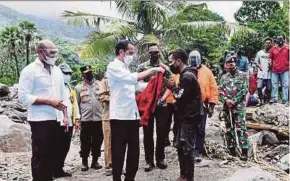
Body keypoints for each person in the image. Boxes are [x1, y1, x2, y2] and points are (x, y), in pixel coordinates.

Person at [106, 40, 165, 181]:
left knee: (134, 152)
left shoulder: (126, 68)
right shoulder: (113, 66)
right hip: (119, 117)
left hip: (132, 117)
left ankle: (129, 178)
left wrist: (154, 84)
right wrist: (153, 70)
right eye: (130, 53)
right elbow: (131, 79)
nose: (132, 56)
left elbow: (137, 86)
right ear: (121, 52)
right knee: (118, 152)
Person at [18, 39, 69, 181]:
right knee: (41, 155)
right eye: (51, 53)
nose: (54, 55)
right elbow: (23, 97)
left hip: (56, 119)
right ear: (41, 52)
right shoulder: (30, 71)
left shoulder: (57, 71)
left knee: (53, 154)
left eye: (55, 52)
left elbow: (62, 96)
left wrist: (65, 116)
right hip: (39, 119)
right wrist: (48, 102)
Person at [164, 48, 202, 181]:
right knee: (181, 147)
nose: (170, 65)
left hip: (189, 118)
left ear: (178, 61)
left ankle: (188, 177)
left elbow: (180, 96)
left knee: (187, 148)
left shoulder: (187, 76)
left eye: (171, 62)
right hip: (183, 117)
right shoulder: (185, 75)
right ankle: (183, 175)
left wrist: (173, 87)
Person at [137, 43, 171, 172]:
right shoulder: (143, 67)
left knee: (162, 132)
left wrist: (162, 99)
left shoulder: (165, 68)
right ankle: (149, 161)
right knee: (147, 133)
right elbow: (138, 85)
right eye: (152, 53)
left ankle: (160, 159)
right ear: (148, 54)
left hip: (161, 104)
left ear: (159, 53)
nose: (154, 55)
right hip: (147, 105)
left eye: (156, 52)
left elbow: (170, 85)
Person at [188, 50, 219, 160]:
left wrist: (212, 105)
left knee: (201, 128)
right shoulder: (186, 71)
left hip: (202, 104)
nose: (194, 62)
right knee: (190, 127)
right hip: (189, 105)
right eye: (192, 59)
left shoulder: (207, 71)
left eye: (195, 59)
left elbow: (213, 88)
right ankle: (189, 149)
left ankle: (198, 150)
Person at [53, 63, 80, 178]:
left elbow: (74, 104)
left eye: (69, 73)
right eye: (65, 73)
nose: (68, 75)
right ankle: (52, 170)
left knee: (65, 146)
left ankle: (59, 168)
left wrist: (77, 119)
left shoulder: (69, 88)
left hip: (69, 121)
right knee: (56, 146)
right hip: (58, 121)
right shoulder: (54, 87)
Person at [219, 56, 249, 161]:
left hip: (239, 106)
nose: (229, 66)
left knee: (241, 128)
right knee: (229, 128)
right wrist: (226, 100)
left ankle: (244, 151)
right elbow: (221, 90)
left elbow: (245, 89)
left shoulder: (243, 75)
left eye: (231, 64)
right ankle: (232, 149)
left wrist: (234, 101)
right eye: (228, 64)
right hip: (227, 106)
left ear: (235, 64)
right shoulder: (224, 77)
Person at [75, 65, 103, 171]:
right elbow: (77, 104)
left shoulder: (100, 85)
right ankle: (84, 162)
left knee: (98, 140)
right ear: (83, 75)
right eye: (87, 73)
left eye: (90, 72)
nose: (89, 74)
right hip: (86, 120)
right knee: (85, 141)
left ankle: (95, 161)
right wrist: (78, 119)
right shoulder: (78, 88)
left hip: (98, 118)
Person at [99, 73, 112, 176]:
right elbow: (103, 97)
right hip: (108, 116)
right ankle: (109, 165)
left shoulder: (120, 81)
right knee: (108, 142)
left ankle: (118, 164)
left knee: (119, 142)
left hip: (119, 116)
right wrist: (115, 98)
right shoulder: (104, 82)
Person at [269, 34, 289, 104]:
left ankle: (285, 100)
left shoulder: (288, 48)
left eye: (281, 39)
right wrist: (270, 65)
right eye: (278, 39)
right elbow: (270, 59)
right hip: (274, 70)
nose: (279, 40)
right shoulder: (273, 49)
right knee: (274, 85)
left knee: (285, 85)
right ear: (276, 40)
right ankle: (275, 99)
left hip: (285, 70)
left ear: (284, 40)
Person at [255, 37, 273, 104]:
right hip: (261, 73)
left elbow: (274, 61)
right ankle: (261, 99)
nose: (267, 44)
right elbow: (256, 61)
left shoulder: (272, 53)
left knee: (269, 88)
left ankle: (267, 99)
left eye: (269, 43)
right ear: (264, 44)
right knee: (259, 87)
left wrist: (271, 65)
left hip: (269, 73)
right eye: (266, 43)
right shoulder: (260, 53)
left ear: (271, 44)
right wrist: (259, 66)